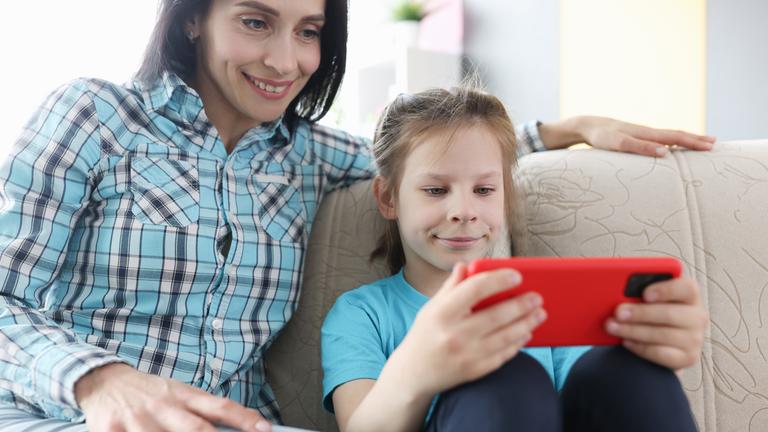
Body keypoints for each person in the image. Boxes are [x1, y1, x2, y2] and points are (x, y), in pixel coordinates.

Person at [0, 0, 714, 431]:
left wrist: (568, 128)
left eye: (310, 29)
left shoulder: (308, 156)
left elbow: (433, 164)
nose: (286, 59)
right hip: (69, 412)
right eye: (256, 22)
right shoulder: (93, 115)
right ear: (193, 19)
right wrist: (101, 380)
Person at [321, 85, 708, 432]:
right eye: (436, 190)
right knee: (503, 379)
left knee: (627, 372)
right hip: (484, 404)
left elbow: (609, 396)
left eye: (485, 189)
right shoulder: (361, 313)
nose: (464, 210)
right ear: (389, 198)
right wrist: (418, 370)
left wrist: (651, 352)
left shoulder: (545, 302)